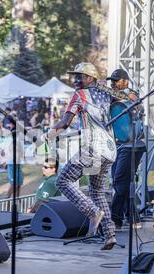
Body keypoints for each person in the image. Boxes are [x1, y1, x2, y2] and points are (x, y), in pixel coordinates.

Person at [45, 62, 117, 250]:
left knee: (63, 180)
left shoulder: (79, 95)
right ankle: (109, 234)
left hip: (93, 148)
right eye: (75, 76)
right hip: (110, 149)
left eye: (80, 76)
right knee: (97, 190)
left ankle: (93, 212)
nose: (75, 80)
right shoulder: (106, 93)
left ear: (90, 78)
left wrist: (48, 135)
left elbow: (65, 122)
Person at [107, 68, 146, 230]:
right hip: (120, 145)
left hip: (132, 146)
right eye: (112, 81)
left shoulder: (131, 94)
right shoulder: (111, 96)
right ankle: (132, 217)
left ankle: (115, 218)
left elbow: (138, 105)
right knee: (123, 182)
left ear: (126, 82)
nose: (113, 83)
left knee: (120, 181)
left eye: (117, 80)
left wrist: (126, 96)